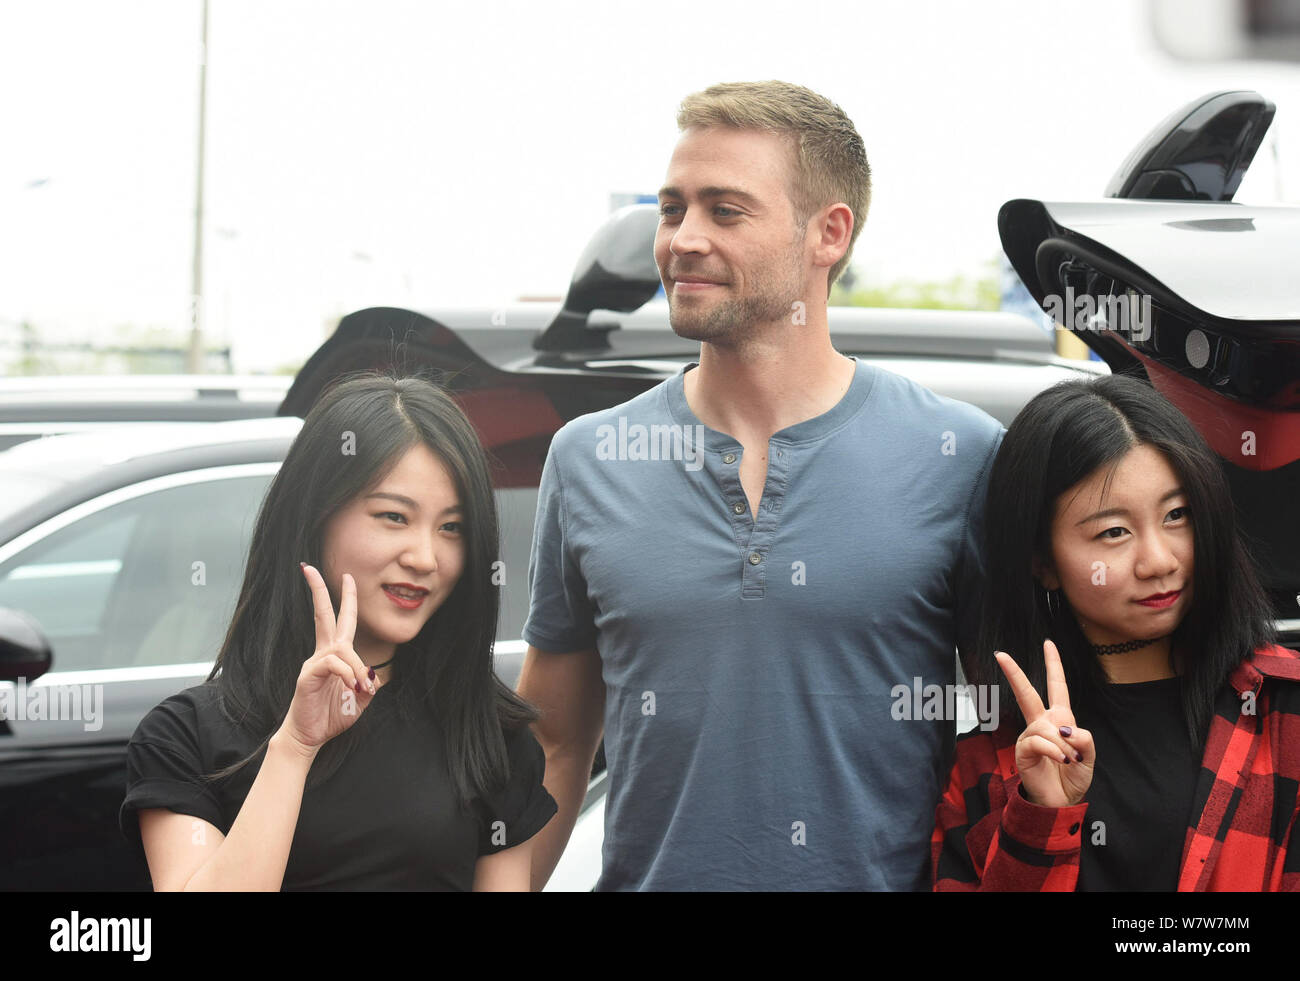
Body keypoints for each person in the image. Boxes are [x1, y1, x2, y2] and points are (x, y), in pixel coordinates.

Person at [519, 80, 1004, 890]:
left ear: (829, 233)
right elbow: (556, 744)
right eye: (673, 209)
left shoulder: (959, 455)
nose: (683, 239)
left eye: (725, 210)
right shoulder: (588, 458)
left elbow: (1004, 742)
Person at [119, 372, 556, 890]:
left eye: (452, 528)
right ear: (315, 516)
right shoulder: (186, 736)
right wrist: (296, 745)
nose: (425, 558)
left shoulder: (490, 734)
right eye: (394, 516)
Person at [932, 372, 1300, 891]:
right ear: (1043, 562)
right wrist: (1041, 820)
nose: (1158, 560)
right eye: (1113, 532)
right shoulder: (989, 767)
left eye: (1177, 515)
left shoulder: (1285, 711)